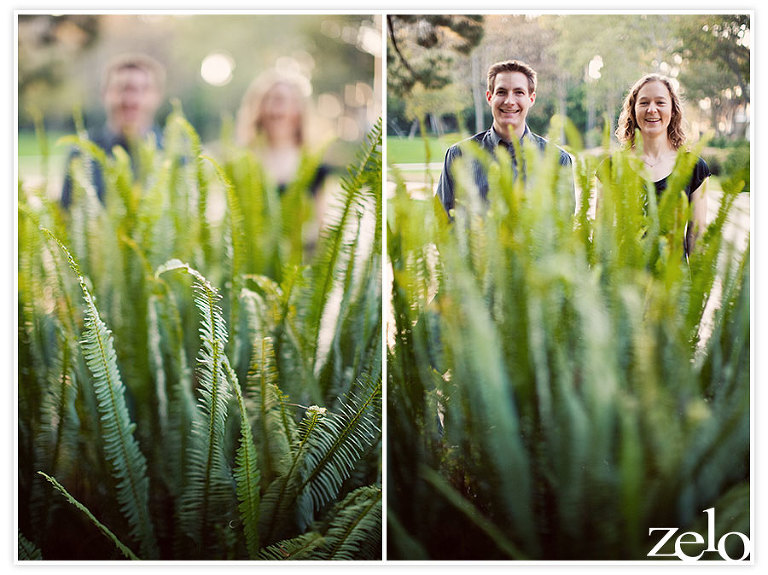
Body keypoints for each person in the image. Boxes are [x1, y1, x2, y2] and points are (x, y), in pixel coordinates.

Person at [435, 59, 574, 216]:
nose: (509, 101)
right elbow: (442, 225)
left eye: (519, 92)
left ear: (531, 99)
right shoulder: (458, 155)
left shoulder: (558, 160)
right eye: (501, 92)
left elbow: (563, 231)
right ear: (489, 97)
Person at [612, 73, 710, 255]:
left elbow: (697, 236)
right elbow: (603, 237)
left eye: (660, 102)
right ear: (633, 111)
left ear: (673, 110)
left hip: (674, 282)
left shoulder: (694, 168)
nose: (651, 109)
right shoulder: (611, 167)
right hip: (623, 281)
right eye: (643, 103)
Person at [60, 53, 165, 208]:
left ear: (157, 97)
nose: (131, 100)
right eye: (122, 89)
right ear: (104, 94)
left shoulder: (177, 154)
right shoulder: (82, 153)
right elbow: (66, 219)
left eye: (142, 89)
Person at [235, 70, 331, 197]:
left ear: (299, 110)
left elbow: (321, 215)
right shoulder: (241, 164)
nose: (274, 108)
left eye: (281, 100)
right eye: (267, 100)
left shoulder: (314, 166)